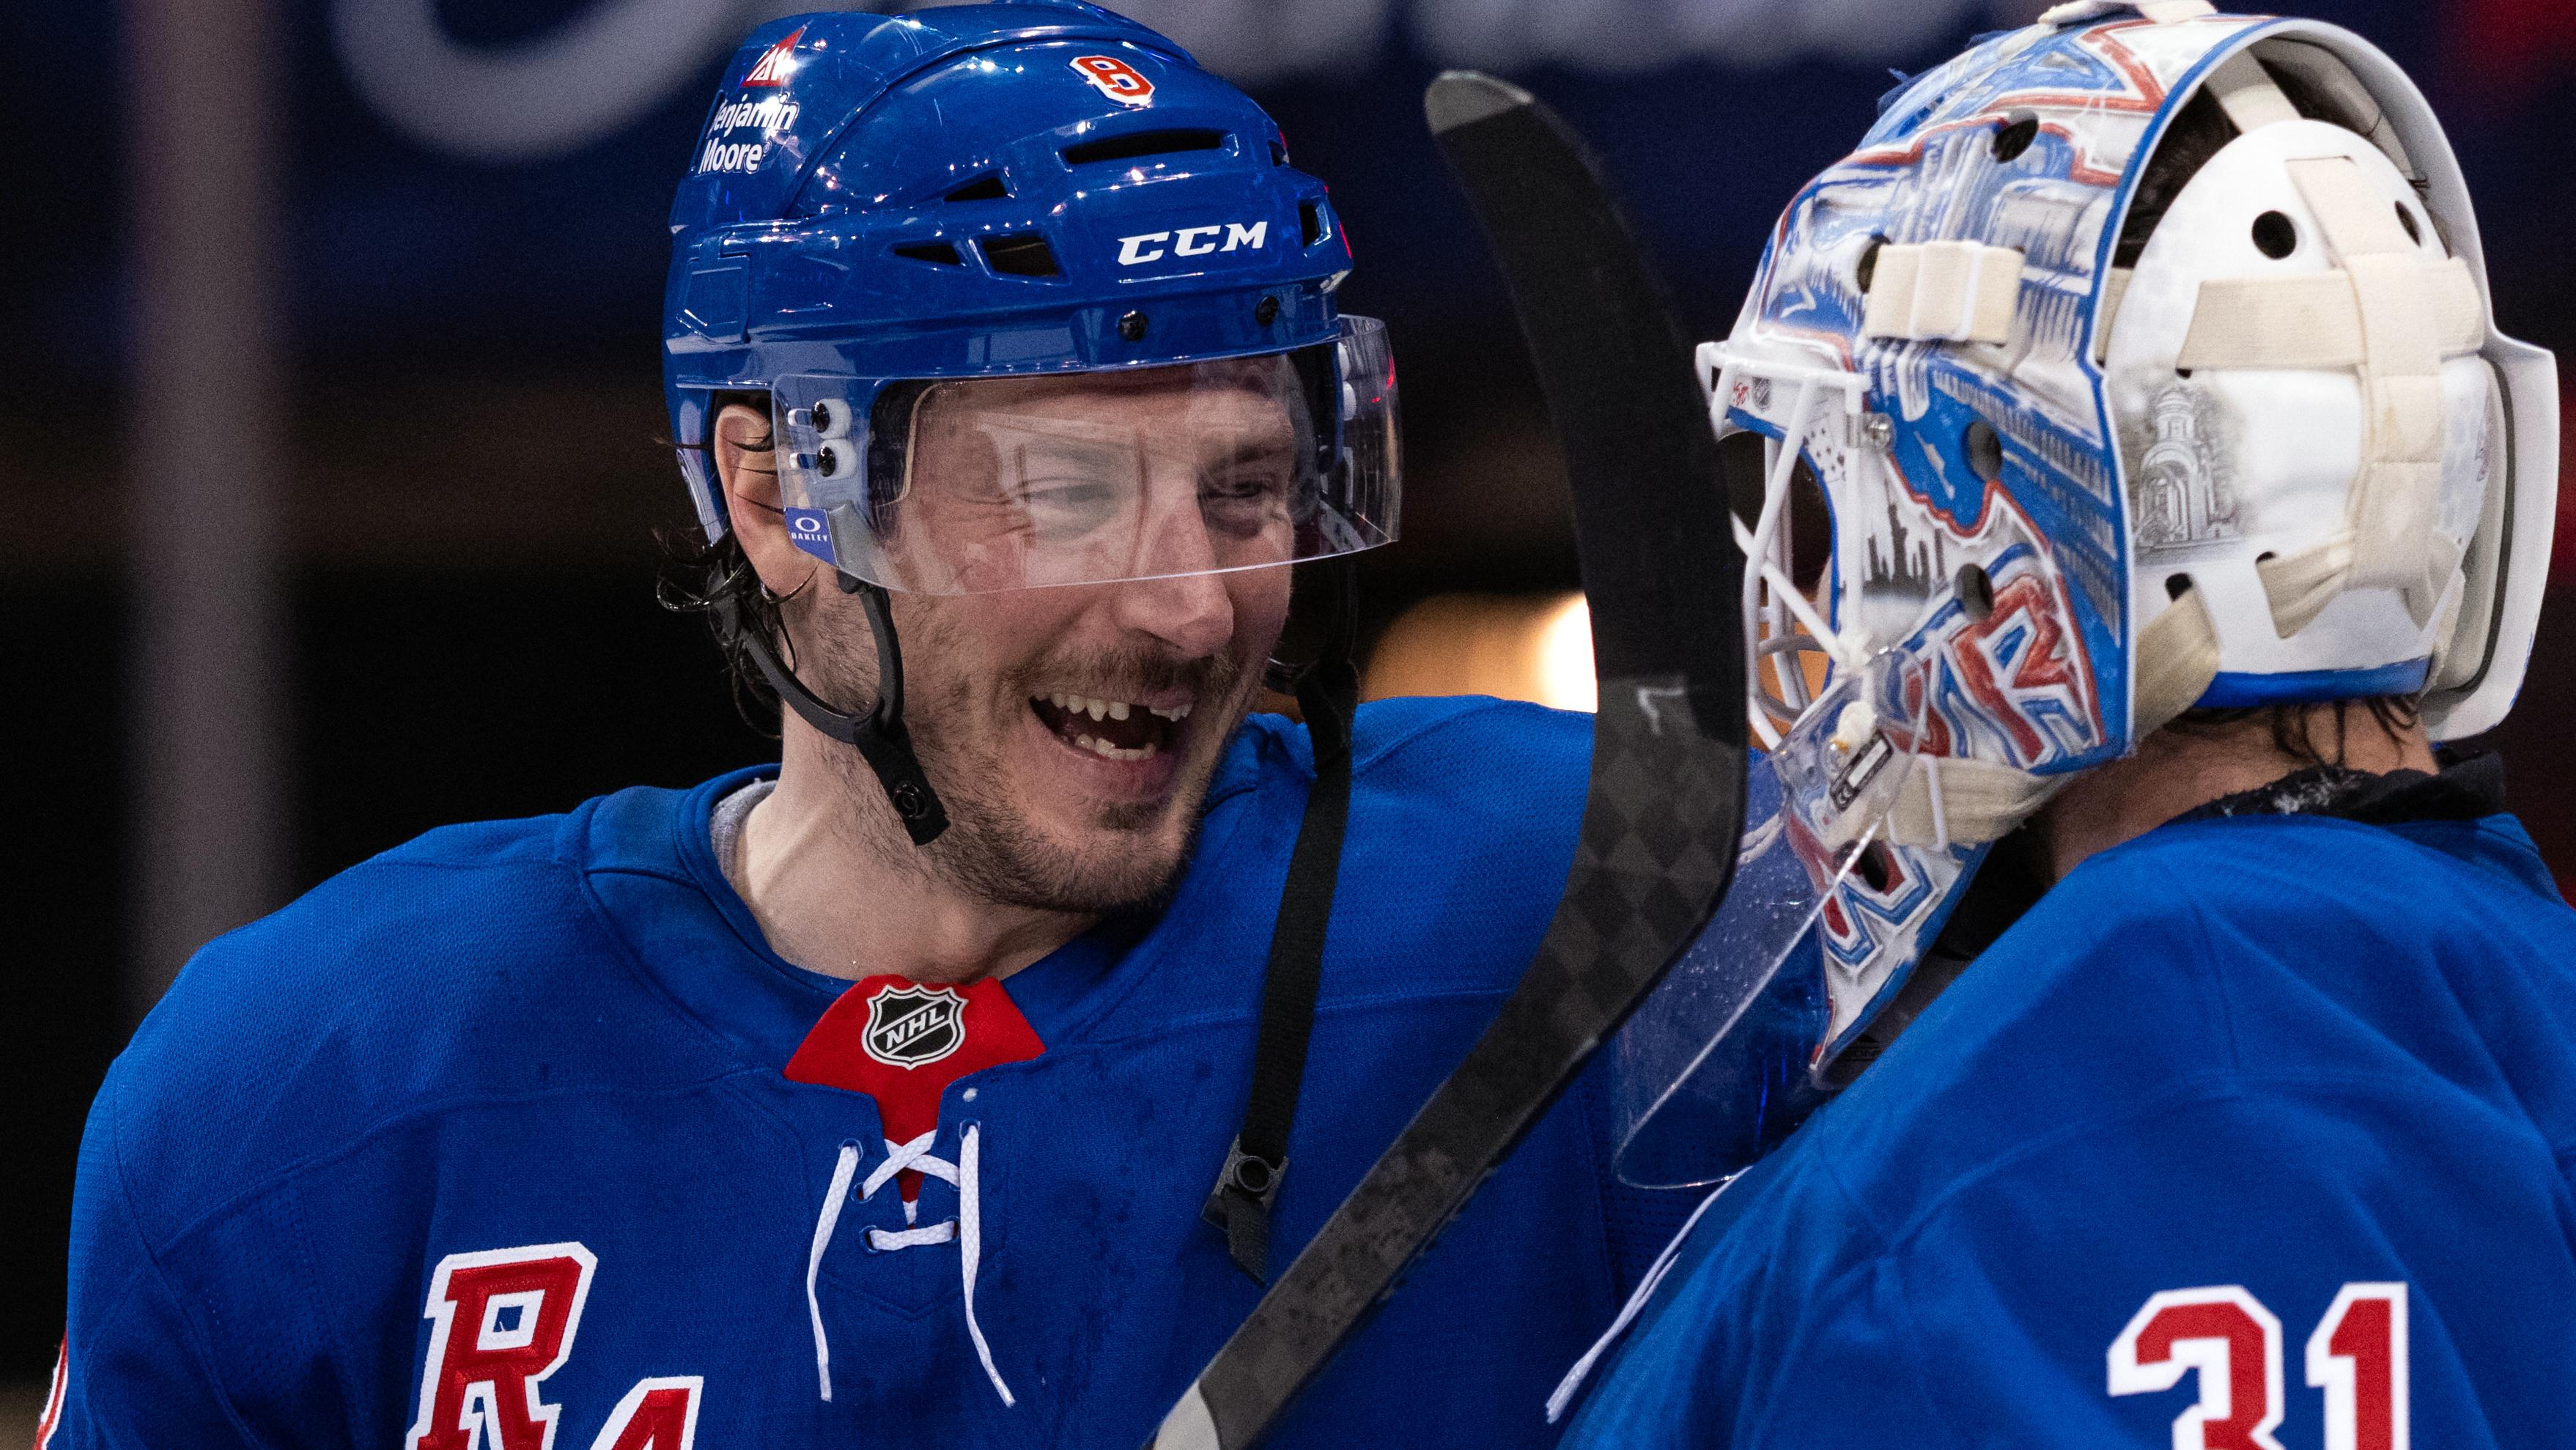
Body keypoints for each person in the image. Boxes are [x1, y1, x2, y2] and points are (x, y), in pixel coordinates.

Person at [51, 7, 1684, 1447]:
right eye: (1065, 491)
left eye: (1244, 486)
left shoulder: (1594, 890)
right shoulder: (312, 1095)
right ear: (777, 495)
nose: (1191, 608)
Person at [1549, 2, 2575, 1446]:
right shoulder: (2508, 987)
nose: (1822, 587)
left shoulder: (2126, 1079)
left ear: (2003, 522)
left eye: (1847, 504)